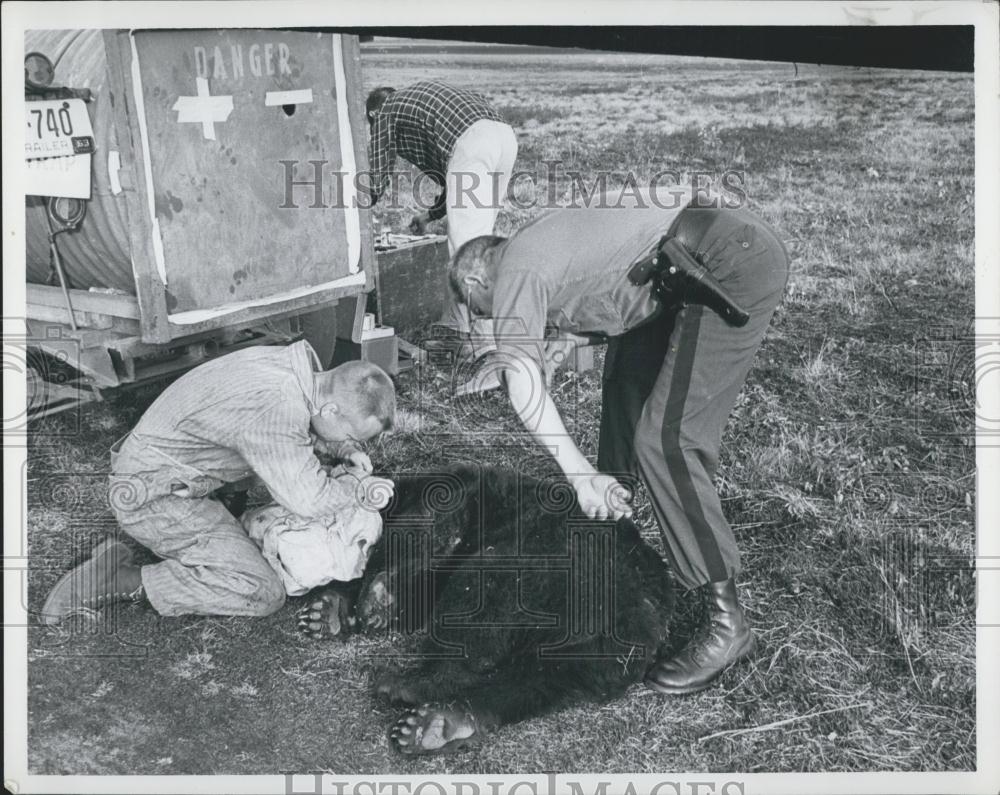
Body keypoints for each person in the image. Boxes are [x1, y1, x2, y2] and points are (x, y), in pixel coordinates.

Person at [447, 187, 789, 694]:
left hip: (727, 261)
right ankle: (614, 540)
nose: (486, 319)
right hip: (688, 260)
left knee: (668, 440)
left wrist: (578, 472)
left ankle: (727, 623)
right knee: (625, 388)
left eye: (478, 310)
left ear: (477, 279)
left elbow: (519, 380)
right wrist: (557, 349)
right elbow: (600, 292)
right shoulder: (537, 242)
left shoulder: (515, 269)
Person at [40, 341, 396, 624]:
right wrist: (358, 489)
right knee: (261, 590)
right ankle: (118, 581)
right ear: (331, 411)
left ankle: (206, 528)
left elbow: (298, 427)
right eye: (352, 433)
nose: (354, 442)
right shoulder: (277, 408)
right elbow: (309, 499)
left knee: (269, 483)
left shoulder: (295, 367)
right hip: (154, 495)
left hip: (171, 472)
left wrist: (343, 445)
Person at [365, 81, 518, 334]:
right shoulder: (418, 104)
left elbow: (377, 174)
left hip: (475, 143)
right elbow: (456, 175)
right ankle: (458, 326)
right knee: (480, 245)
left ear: (372, 114)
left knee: (467, 252)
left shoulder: (385, 111)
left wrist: (358, 206)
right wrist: (429, 215)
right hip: (504, 139)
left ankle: (484, 341)